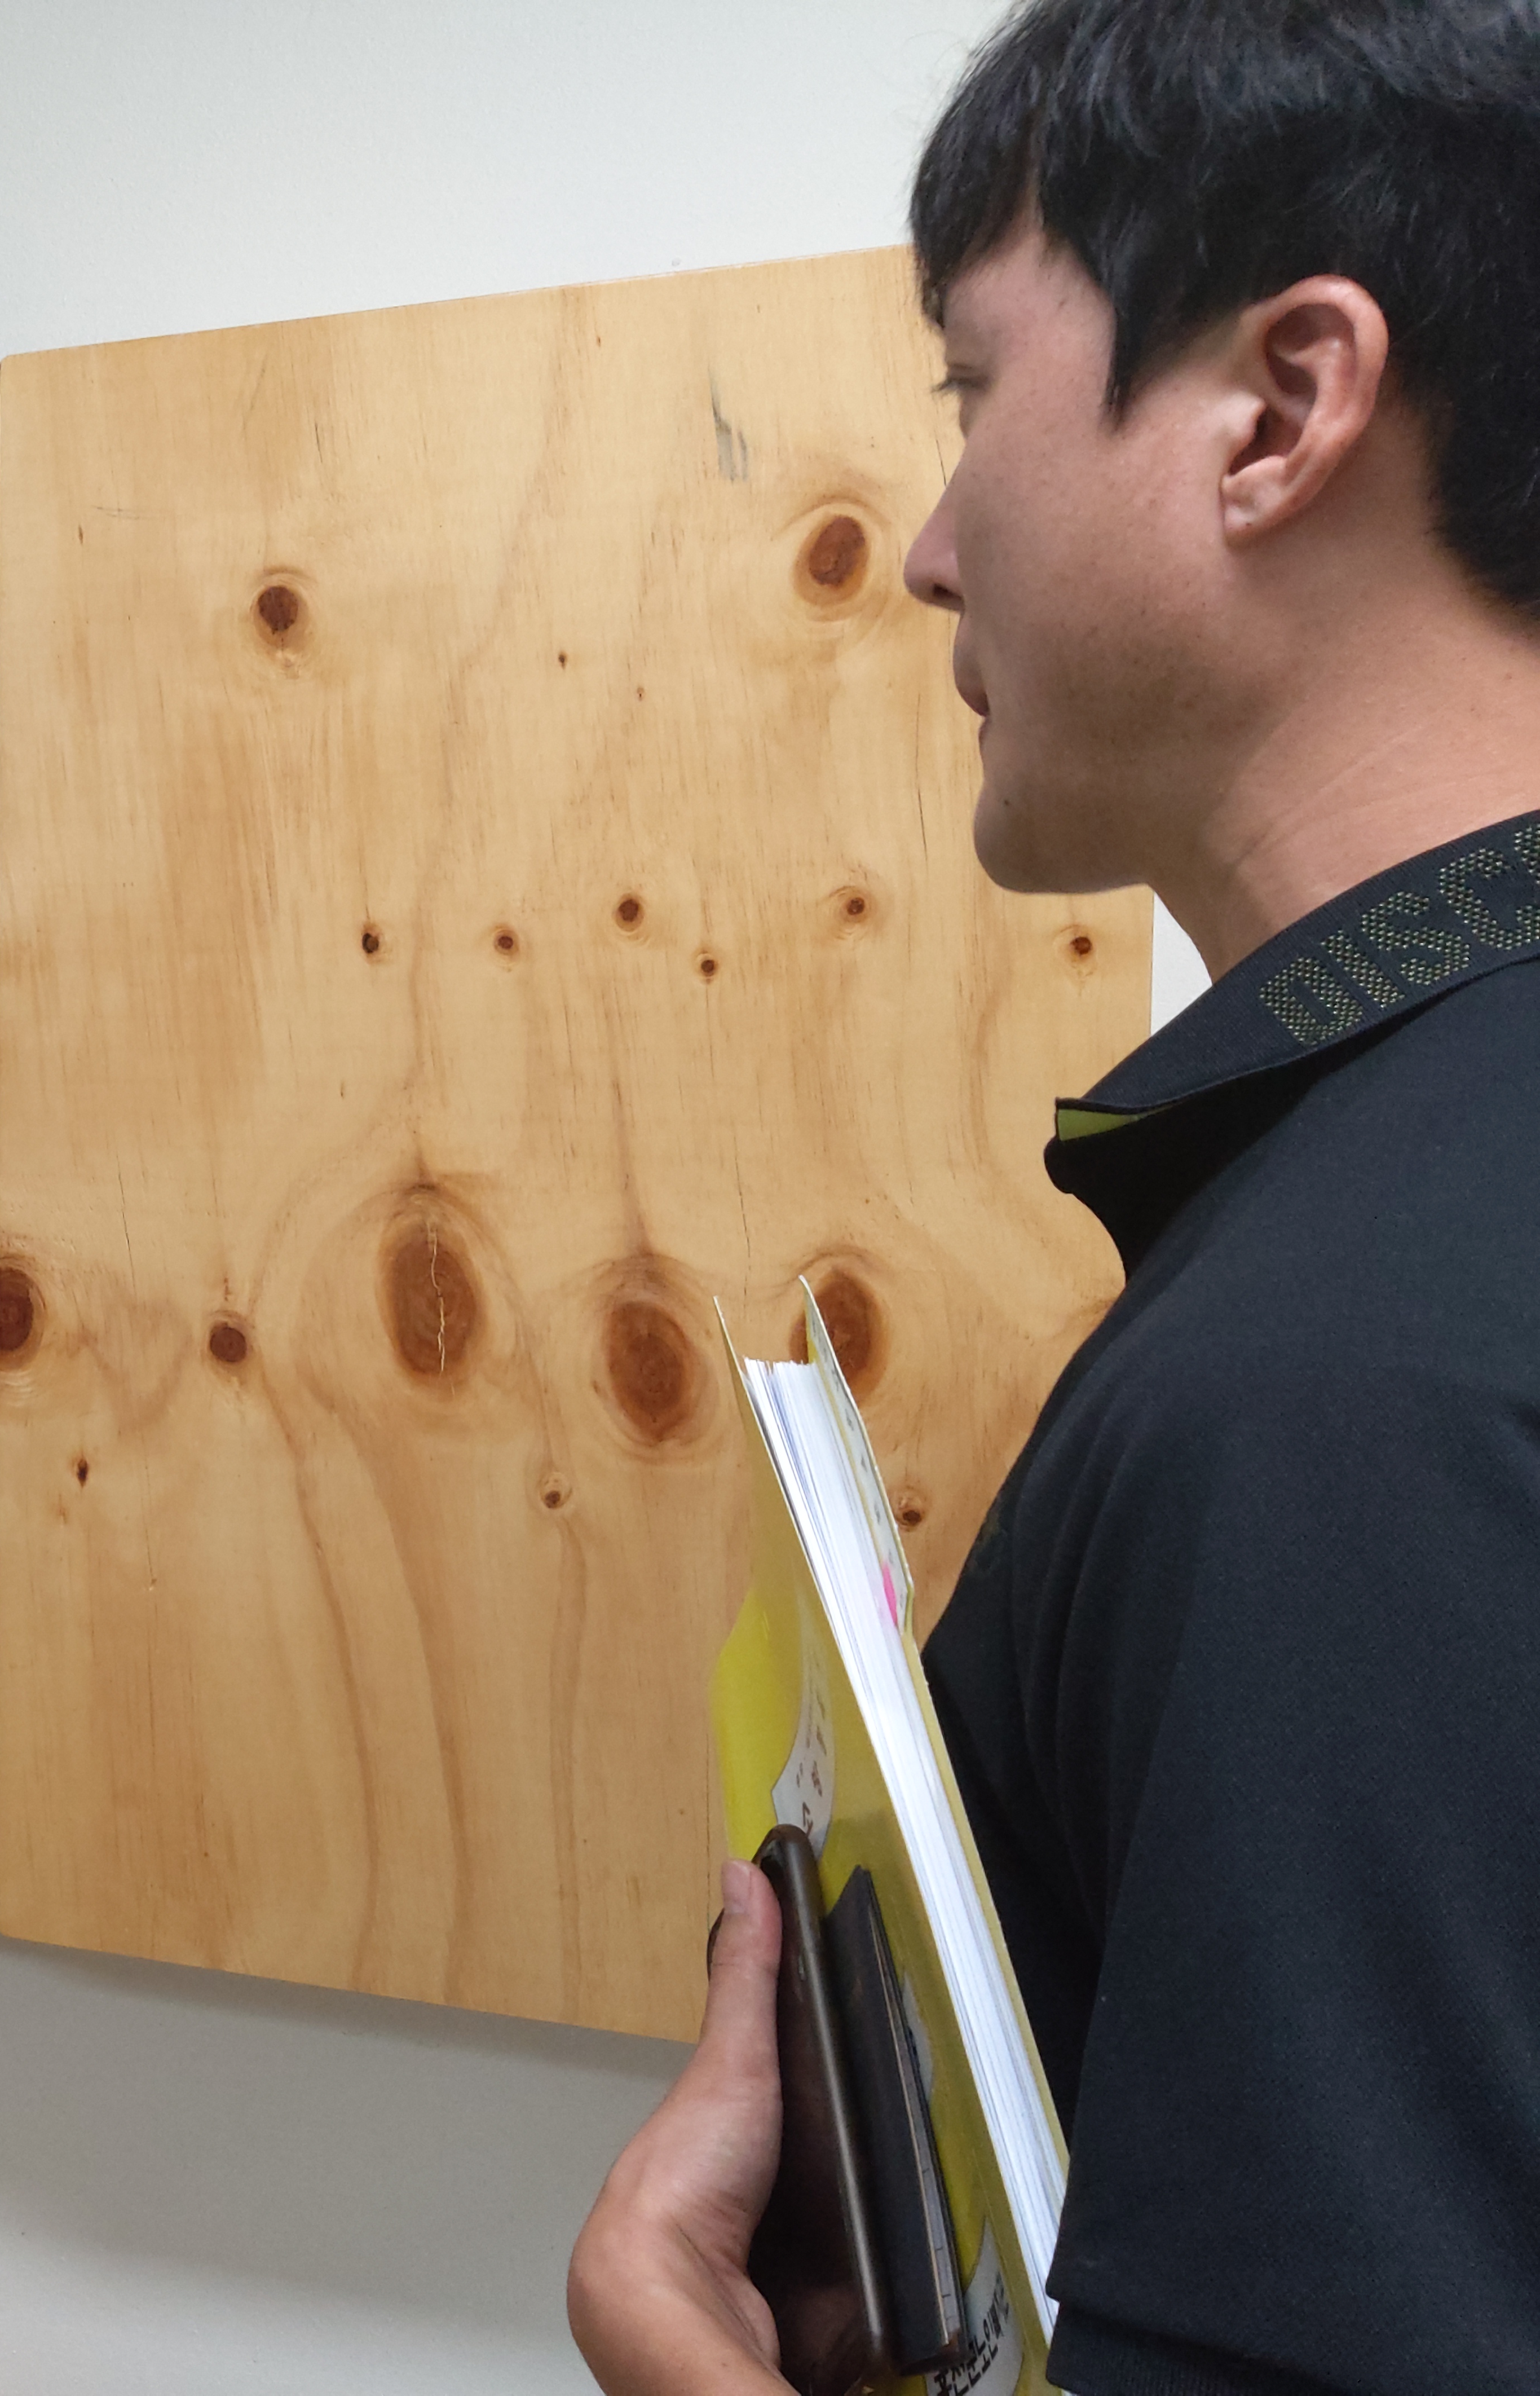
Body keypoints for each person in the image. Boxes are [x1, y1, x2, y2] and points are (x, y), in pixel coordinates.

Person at [570, 2, 1540, 2390]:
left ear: (1284, 409)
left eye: (972, 390)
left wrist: (680, 2356)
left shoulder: (1343, 1386)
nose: (924, 553)